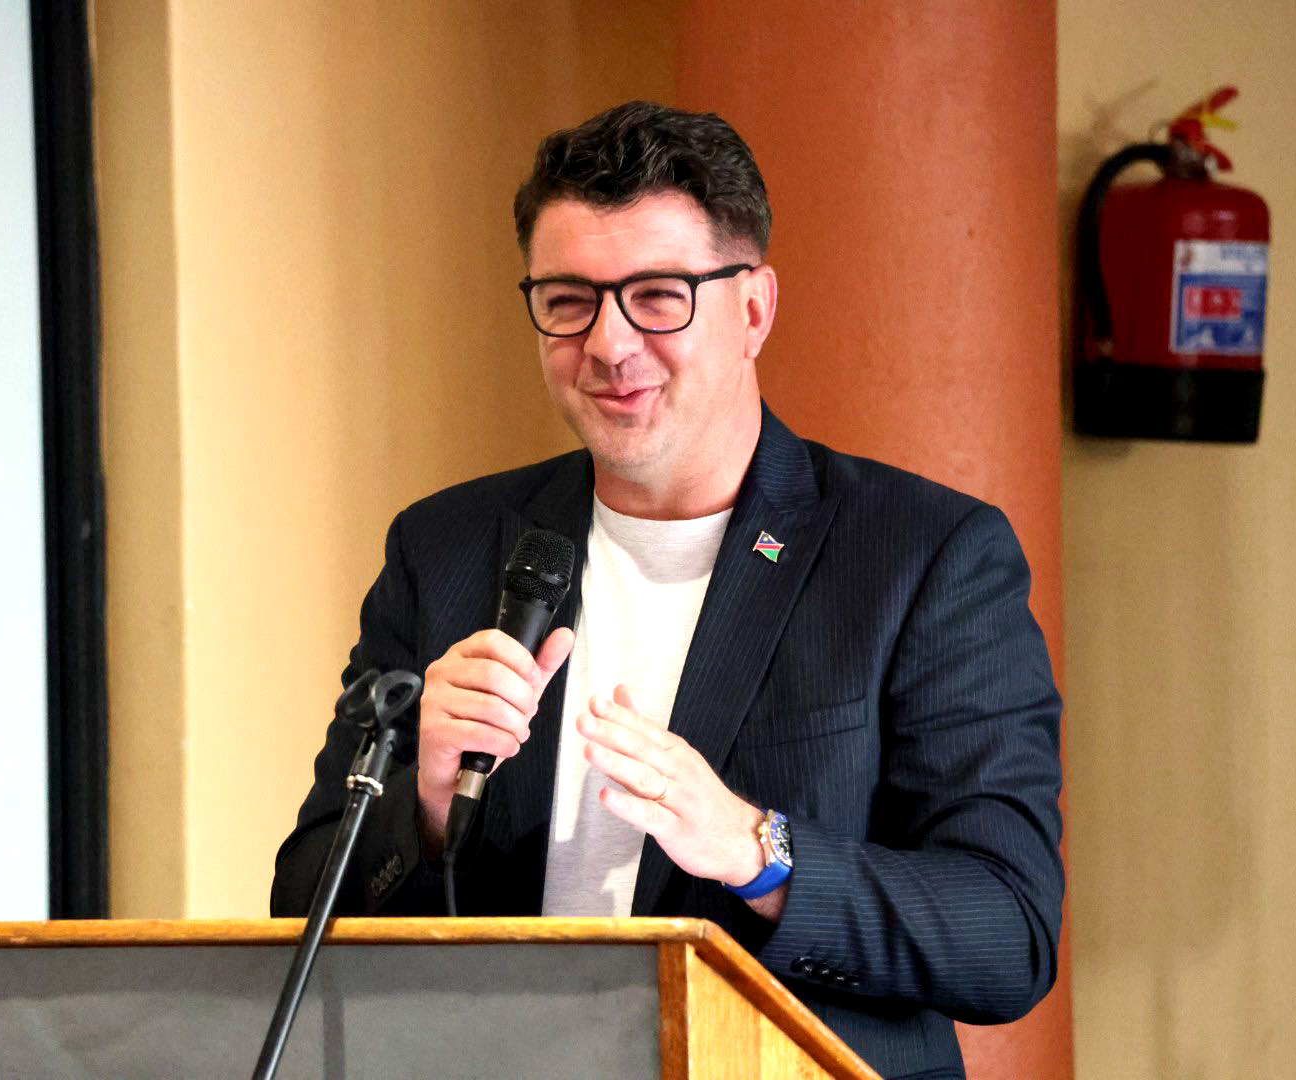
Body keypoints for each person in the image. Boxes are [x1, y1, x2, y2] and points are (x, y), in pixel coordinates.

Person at [271, 101, 1063, 1078]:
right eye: (568, 300)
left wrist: (759, 850)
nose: (609, 344)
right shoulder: (445, 550)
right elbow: (298, 905)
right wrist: (427, 807)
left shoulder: (923, 556)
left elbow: (1007, 934)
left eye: (658, 296)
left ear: (754, 310)